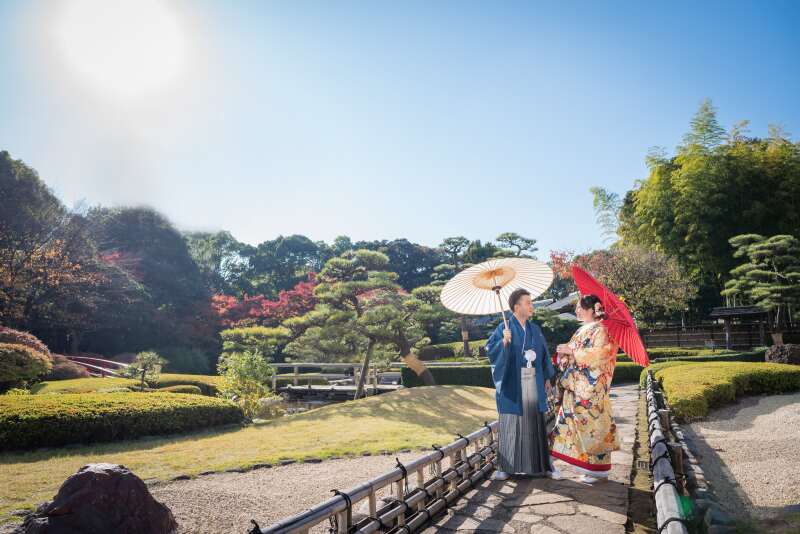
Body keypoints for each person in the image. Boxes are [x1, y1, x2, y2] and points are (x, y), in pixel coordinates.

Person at [485, 288, 558, 480]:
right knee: (511, 422)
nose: (532, 306)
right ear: (517, 307)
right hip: (513, 383)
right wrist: (503, 342)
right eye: (528, 303)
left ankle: (541, 467)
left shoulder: (535, 329)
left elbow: (544, 353)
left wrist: (547, 377)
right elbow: (491, 351)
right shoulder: (504, 327)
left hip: (534, 379)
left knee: (535, 422)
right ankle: (505, 468)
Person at [549, 294, 620, 484]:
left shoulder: (602, 330)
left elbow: (601, 355)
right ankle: (582, 467)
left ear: (591, 309)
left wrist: (572, 351)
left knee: (594, 429)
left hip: (591, 390)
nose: (576, 311)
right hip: (576, 388)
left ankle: (597, 470)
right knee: (572, 426)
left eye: (579, 307)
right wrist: (563, 355)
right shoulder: (582, 329)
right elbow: (572, 353)